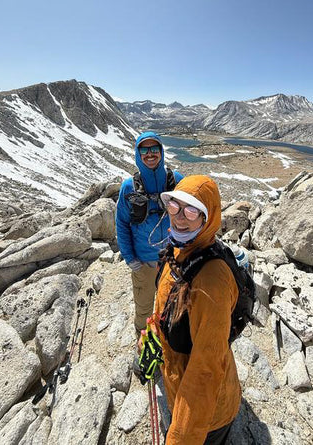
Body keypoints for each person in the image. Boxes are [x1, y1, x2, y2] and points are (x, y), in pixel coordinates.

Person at [153, 175, 241, 445]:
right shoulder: (179, 251)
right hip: (179, 386)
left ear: (208, 217)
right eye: (175, 207)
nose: (180, 217)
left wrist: (179, 439)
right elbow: (165, 306)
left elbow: (205, 369)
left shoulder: (211, 280)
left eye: (192, 210)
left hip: (208, 416)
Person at [115, 131, 183, 334]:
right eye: (144, 149)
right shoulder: (129, 187)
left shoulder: (177, 181)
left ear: (161, 152)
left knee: (173, 306)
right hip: (144, 263)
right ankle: (143, 345)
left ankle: (169, 341)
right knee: (144, 308)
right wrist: (130, 258)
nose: (150, 154)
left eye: (154, 149)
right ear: (138, 153)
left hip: (173, 260)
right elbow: (122, 224)